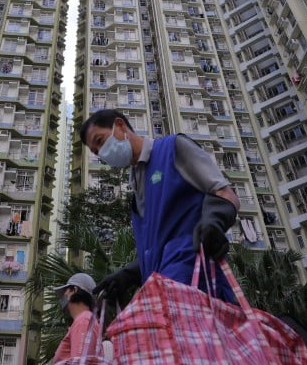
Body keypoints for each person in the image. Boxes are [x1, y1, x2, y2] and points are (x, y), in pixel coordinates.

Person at [81, 109, 239, 304]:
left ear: (120, 126)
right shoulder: (136, 186)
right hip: (161, 293)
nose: (102, 153)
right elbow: (162, 247)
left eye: (100, 141)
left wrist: (213, 223)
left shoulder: (173, 148)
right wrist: (128, 274)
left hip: (197, 283)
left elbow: (225, 193)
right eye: (96, 152)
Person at [52, 272, 103, 363]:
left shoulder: (83, 321)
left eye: (65, 291)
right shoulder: (85, 320)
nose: (63, 296)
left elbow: (80, 362)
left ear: (74, 290)